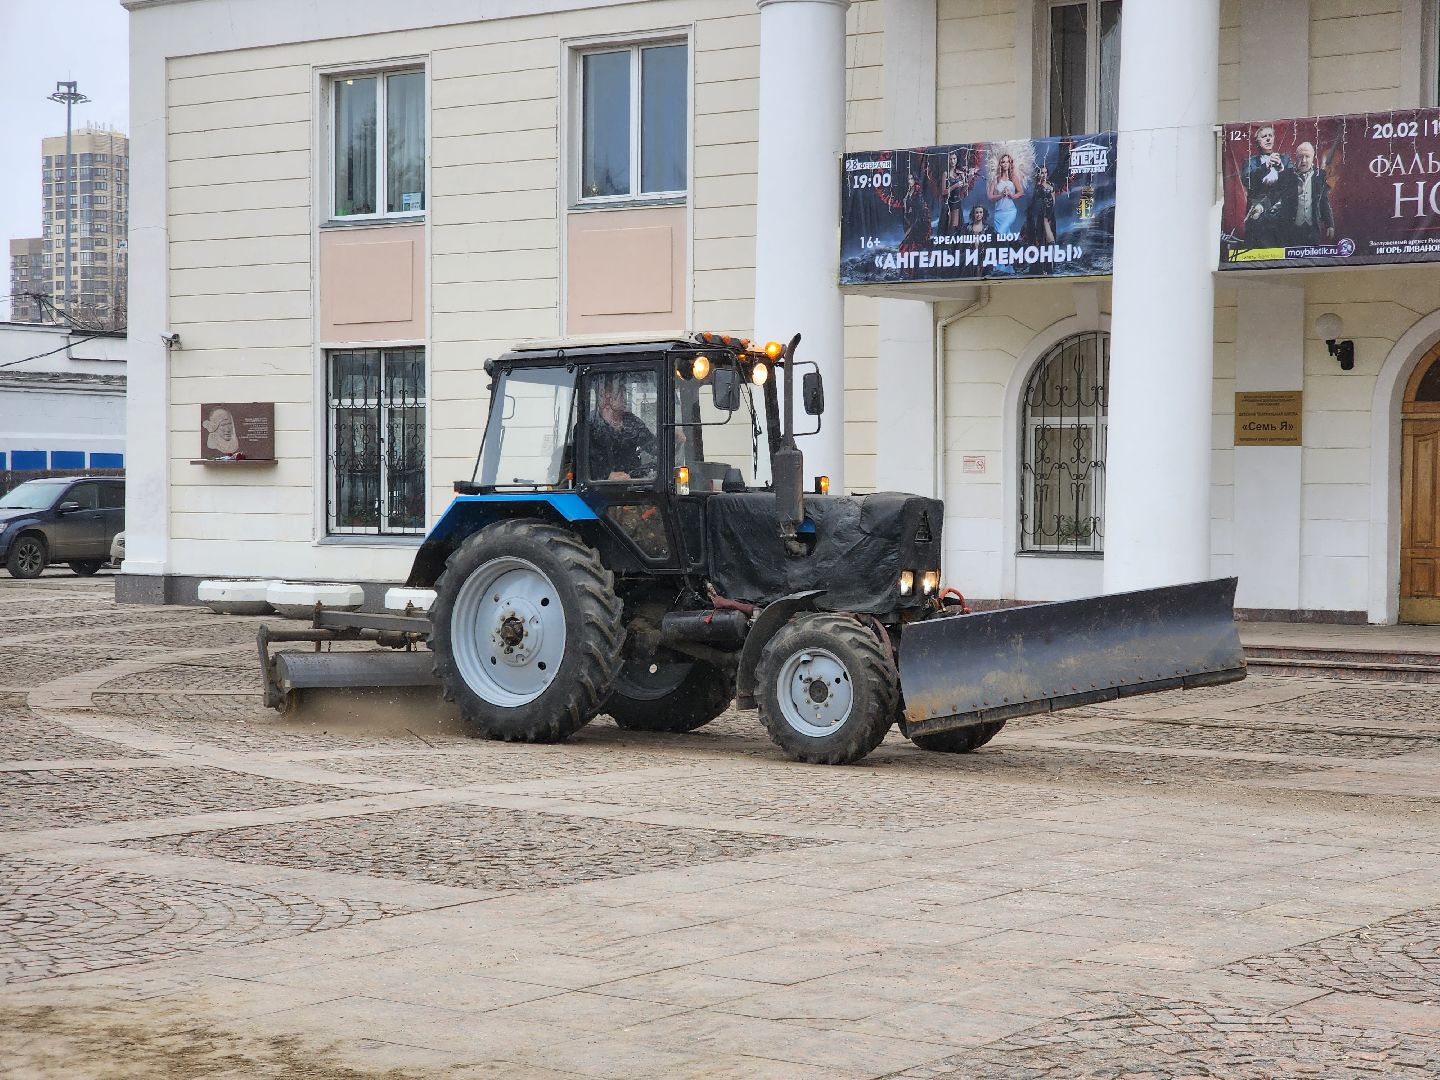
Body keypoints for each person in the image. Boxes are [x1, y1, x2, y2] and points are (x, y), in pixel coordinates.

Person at [588, 373, 658, 481]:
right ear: (606, 395)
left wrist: (671, 439)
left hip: (632, 483)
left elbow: (652, 446)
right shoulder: (589, 425)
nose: (625, 397)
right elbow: (581, 464)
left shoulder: (631, 421)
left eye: (625, 392)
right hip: (598, 489)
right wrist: (606, 476)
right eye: (620, 392)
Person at [1242, 125, 1291, 246]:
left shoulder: (1285, 159)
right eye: (1264, 136)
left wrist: (1281, 168)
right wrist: (1265, 166)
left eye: (1270, 136)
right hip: (1258, 216)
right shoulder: (1250, 162)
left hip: (1280, 215)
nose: (1268, 139)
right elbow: (1247, 181)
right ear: (1258, 142)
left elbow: (1293, 182)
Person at [1278, 141, 1334, 246]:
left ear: (1313, 158)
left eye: (1307, 156)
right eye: (1300, 157)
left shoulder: (1320, 175)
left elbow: (1324, 201)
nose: (1303, 160)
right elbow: (1274, 197)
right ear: (1296, 158)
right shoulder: (1286, 175)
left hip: (1313, 229)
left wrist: (1329, 224)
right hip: (1290, 230)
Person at [987, 152, 1025, 236]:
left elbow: (1021, 192)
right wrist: (1001, 195)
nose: (1005, 164)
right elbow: (990, 196)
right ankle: (1011, 247)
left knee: (999, 234)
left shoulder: (1013, 177)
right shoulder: (996, 179)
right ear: (1000, 164)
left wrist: (1012, 195)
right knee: (1006, 236)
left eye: (1007, 162)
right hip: (998, 214)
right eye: (1003, 162)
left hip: (1010, 212)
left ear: (1010, 163)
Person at [1026, 164, 1057, 245]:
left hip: (1051, 210)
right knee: (1044, 227)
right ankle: (1050, 245)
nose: (1044, 175)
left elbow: (1054, 198)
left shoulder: (1052, 184)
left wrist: (1052, 209)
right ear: (1039, 174)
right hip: (1043, 211)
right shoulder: (1038, 187)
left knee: (1050, 228)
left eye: (1045, 172)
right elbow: (1035, 199)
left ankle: (1049, 247)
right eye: (1042, 173)